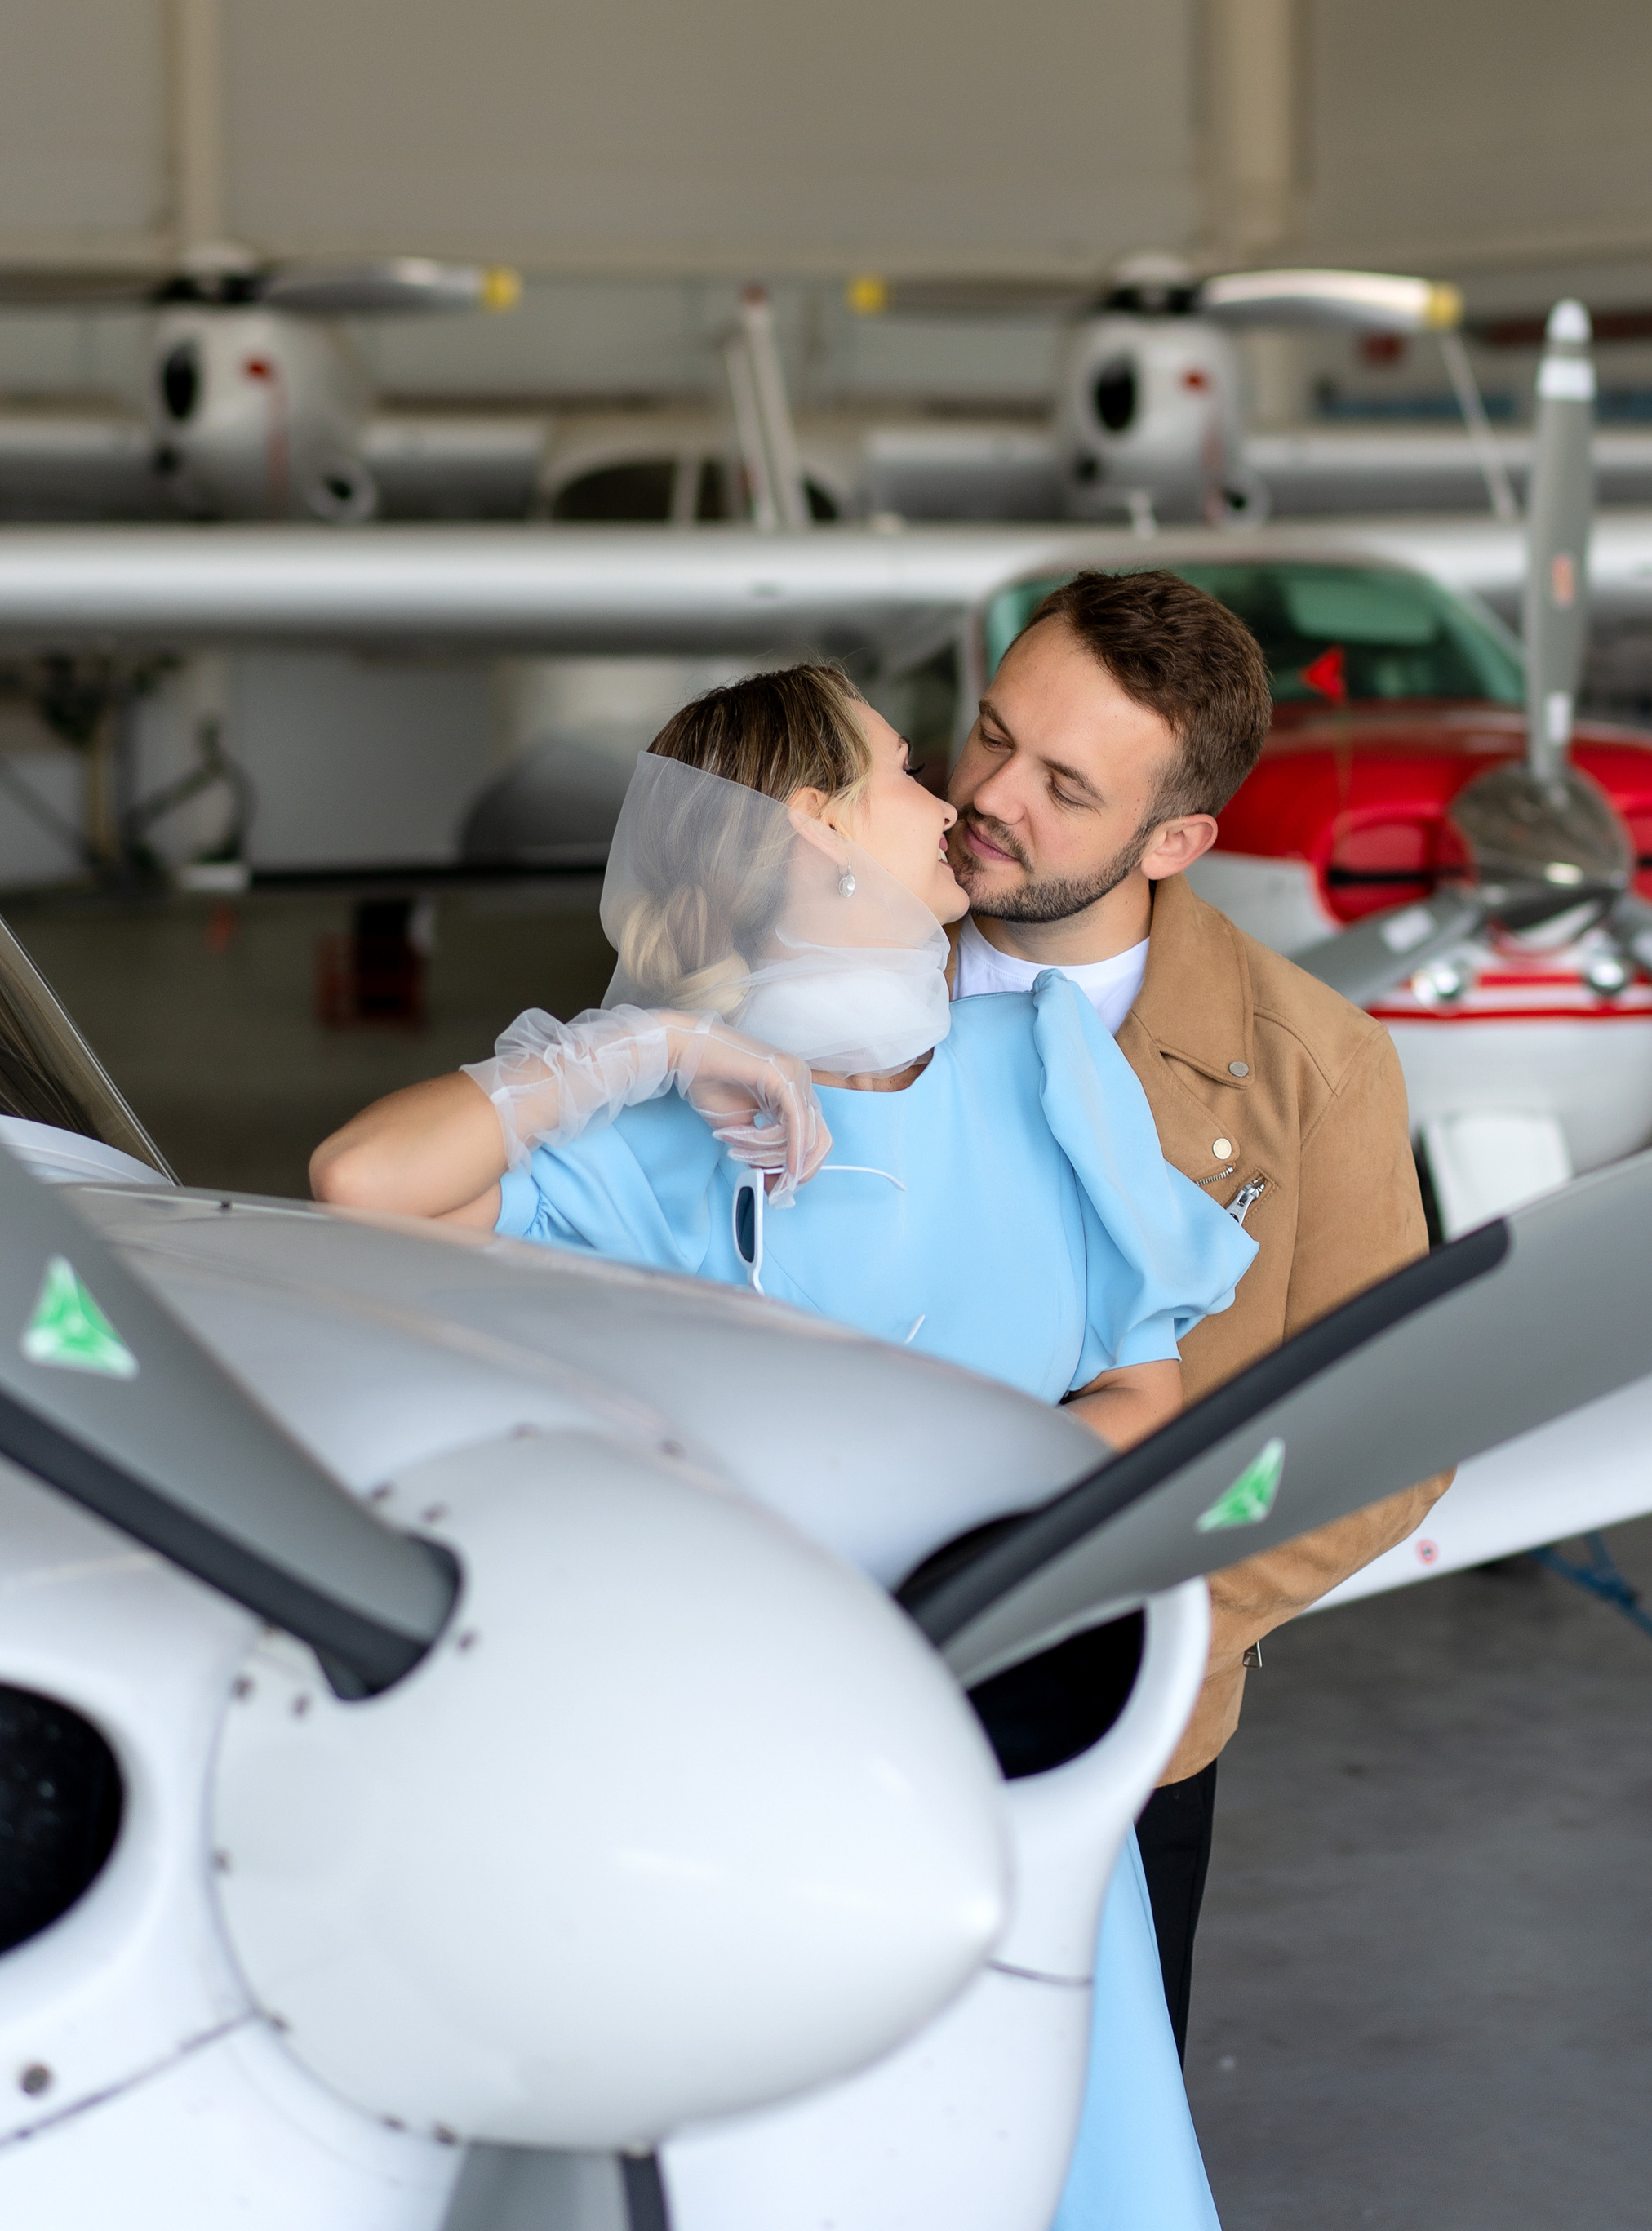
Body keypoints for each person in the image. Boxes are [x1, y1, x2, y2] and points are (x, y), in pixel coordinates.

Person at [311, 658, 1257, 2231]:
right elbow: (361, 1188)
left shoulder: (1048, 1069)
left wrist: (958, 1536)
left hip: (1007, 1751)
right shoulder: (638, 1133)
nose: (948, 798)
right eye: (900, 770)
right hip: (741, 1787)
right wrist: (650, 1054)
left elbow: (1143, 1391)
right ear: (815, 829)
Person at [946, 567, 1450, 2056]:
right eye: (985, 734)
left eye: (1061, 786)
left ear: (1175, 841)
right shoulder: (794, 971)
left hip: (1124, 1734)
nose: (983, 796)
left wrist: (1140, 1630)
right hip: (803, 1699)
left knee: (1093, 2134)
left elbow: (1387, 1434)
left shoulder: (1319, 1067)